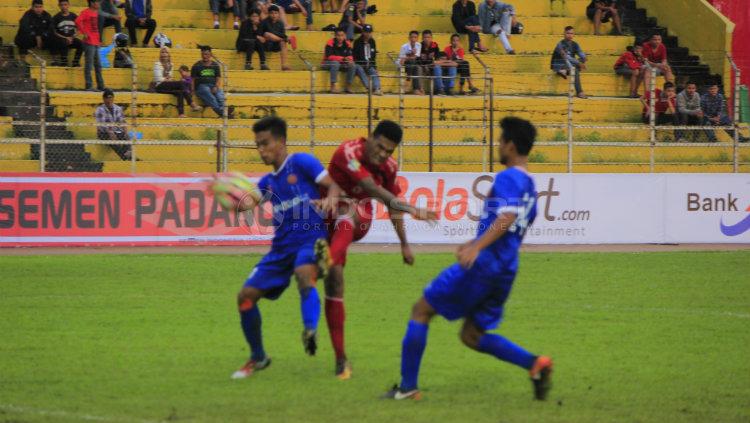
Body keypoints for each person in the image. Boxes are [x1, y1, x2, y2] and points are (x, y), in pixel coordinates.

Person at [383, 117, 553, 401]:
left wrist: (477, 248)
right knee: (471, 335)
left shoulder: (509, 176)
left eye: (500, 141)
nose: (498, 146)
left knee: (421, 310)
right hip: (506, 269)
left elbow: (507, 217)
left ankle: (407, 388)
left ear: (510, 145)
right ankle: (534, 364)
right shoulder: (531, 187)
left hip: (484, 266)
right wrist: (475, 241)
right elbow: (514, 224)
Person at [322, 120, 437, 380]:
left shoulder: (389, 168)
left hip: (355, 217)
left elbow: (389, 204)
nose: (384, 155)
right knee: (334, 284)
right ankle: (339, 355)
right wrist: (414, 209)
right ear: (370, 138)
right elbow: (374, 188)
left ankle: (341, 360)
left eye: (390, 151)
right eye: (382, 147)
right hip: (322, 217)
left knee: (349, 210)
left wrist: (404, 244)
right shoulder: (348, 153)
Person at [230, 116, 342, 379]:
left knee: (305, 275)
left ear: (281, 142)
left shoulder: (302, 162)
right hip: (279, 250)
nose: (260, 149)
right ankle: (258, 357)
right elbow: (247, 204)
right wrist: (229, 198)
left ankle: (310, 330)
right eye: (257, 144)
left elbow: (333, 184)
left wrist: (331, 201)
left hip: (310, 239)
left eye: (265, 143)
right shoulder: (267, 182)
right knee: (245, 297)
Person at [154, 47, 200, 117]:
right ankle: (191, 103)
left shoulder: (171, 65)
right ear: (160, 54)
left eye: (166, 52)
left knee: (180, 92)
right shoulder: (157, 64)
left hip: (167, 85)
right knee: (181, 83)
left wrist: (167, 79)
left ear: (169, 54)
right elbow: (158, 78)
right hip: (160, 86)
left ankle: (181, 113)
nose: (164, 54)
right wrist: (166, 79)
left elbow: (170, 77)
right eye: (162, 52)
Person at [191, 45, 232, 118]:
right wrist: (192, 90)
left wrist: (216, 87)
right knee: (209, 94)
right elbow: (192, 79)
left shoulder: (215, 65)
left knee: (220, 96)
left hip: (213, 86)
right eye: (203, 54)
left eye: (206, 54)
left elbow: (218, 78)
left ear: (210, 54)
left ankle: (224, 113)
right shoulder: (196, 65)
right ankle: (224, 113)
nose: (204, 56)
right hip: (201, 87)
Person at [551, 26, 588, 99]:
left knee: (580, 61)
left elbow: (580, 53)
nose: (570, 35)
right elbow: (567, 58)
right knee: (575, 69)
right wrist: (578, 63)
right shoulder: (560, 44)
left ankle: (563, 71)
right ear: (564, 34)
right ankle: (579, 92)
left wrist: (583, 58)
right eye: (568, 33)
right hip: (560, 64)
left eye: (571, 33)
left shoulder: (575, 44)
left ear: (574, 34)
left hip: (570, 65)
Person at [76, 0, 105, 91]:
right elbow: (77, 21)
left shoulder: (97, 13)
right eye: (97, 2)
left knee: (98, 65)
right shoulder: (86, 12)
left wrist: (99, 40)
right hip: (89, 42)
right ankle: (89, 85)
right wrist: (84, 33)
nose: (99, 4)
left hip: (95, 41)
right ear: (92, 3)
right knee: (89, 64)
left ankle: (100, 86)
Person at [95, 89, 131, 160]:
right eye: (107, 98)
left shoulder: (117, 108)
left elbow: (122, 121)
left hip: (115, 131)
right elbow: (102, 124)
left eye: (110, 98)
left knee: (127, 136)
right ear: (104, 99)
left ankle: (127, 154)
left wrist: (126, 132)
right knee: (110, 138)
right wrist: (111, 132)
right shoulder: (100, 109)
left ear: (113, 98)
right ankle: (125, 156)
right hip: (103, 132)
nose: (109, 100)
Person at [418, 30, 456, 96]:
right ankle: (440, 89)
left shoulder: (434, 46)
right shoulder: (419, 46)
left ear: (431, 38)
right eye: (425, 37)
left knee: (440, 67)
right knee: (436, 66)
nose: (427, 39)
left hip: (432, 65)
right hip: (422, 66)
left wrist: (440, 62)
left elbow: (437, 60)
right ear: (422, 38)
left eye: (428, 37)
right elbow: (418, 60)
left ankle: (450, 88)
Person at [322, 28, 356, 94]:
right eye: (338, 35)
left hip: (341, 64)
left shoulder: (347, 43)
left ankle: (348, 87)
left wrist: (349, 60)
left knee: (352, 64)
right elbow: (329, 57)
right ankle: (333, 87)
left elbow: (351, 56)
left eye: (342, 35)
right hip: (327, 63)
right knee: (335, 63)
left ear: (345, 36)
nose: (340, 37)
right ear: (335, 35)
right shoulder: (330, 43)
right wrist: (343, 58)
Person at [261, 5, 296, 71]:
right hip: (266, 44)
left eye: (276, 13)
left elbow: (282, 34)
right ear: (269, 14)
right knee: (267, 34)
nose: (274, 15)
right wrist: (284, 38)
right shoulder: (264, 22)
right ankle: (282, 40)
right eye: (272, 13)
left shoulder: (281, 23)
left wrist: (285, 38)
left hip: (275, 45)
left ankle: (284, 65)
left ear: (278, 14)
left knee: (283, 42)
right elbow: (269, 32)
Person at [51, 0, 83, 67]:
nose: (64, 7)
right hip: (61, 39)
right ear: (59, 6)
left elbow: (80, 28)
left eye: (65, 4)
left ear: (68, 5)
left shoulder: (73, 16)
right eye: (62, 5)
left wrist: (73, 36)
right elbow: (54, 32)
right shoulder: (56, 17)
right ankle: (64, 62)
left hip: (72, 38)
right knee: (63, 42)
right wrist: (65, 38)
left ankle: (75, 62)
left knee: (82, 44)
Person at [353, 24, 381, 95]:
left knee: (373, 71)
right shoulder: (357, 42)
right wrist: (362, 63)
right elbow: (354, 56)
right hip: (360, 63)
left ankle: (377, 88)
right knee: (359, 69)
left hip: (369, 64)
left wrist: (375, 67)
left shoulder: (372, 42)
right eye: (366, 32)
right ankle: (369, 88)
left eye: (369, 32)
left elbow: (373, 56)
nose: (367, 34)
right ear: (362, 32)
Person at [399, 30, 423, 95]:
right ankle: (417, 88)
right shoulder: (404, 46)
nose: (413, 39)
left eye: (415, 37)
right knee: (413, 64)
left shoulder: (419, 45)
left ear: (417, 38)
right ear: (409, 38)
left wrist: (408, 56)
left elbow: (415, 57)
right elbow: (401, 60)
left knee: (417, 67)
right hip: (403, 64)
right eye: (412, 37)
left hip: (411, 63)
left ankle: (410, 81)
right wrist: (410, 55)